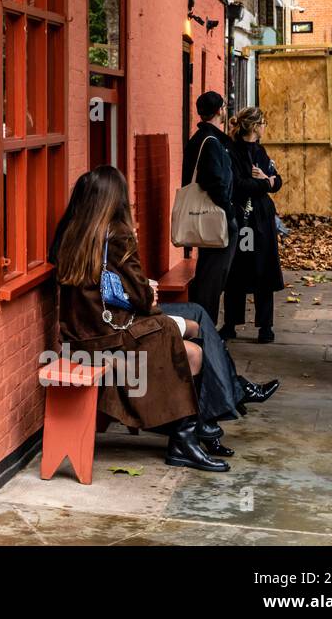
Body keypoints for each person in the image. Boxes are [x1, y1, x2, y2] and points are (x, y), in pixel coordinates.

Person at [53, 166, 229, 472]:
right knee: (192, 350)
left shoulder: (69, 234)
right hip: (112, 339)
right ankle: (189, 436)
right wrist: (148, 290)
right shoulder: (118, 235)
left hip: (81, 338)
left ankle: (192, 433)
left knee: (188, 336)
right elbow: (141, 299)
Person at [223, 107, 285, 343]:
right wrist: (264, 183)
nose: (264, 128)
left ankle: (265, 326)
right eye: (263, 123)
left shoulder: (260, 151)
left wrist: (267, 181)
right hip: (242, 215)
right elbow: (239, 185)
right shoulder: (232, 151)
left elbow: (277, 180)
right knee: (237, 270)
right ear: (256, 126)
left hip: (262, 217)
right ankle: (230, 323)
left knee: (264, 270)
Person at [182, 92, 239, 329]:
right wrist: (230, 211)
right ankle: (205, 330)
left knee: (207, 273)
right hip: (216, 219)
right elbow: (215, 181)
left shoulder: (199, 138)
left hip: (206, 218)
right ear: (219, 111)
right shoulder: (211, 142)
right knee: (213, 279)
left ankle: (202, 326)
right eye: (224, 107)